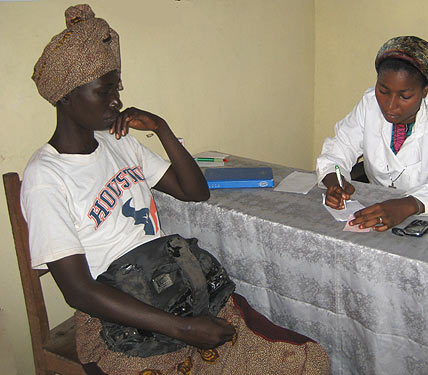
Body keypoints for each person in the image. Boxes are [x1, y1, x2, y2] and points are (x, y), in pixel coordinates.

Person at [22, 5, 330, 375]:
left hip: (177, 289)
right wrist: (184, 329)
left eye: (116, 90)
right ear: (66, 97)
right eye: (103, 92)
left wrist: (161, 127)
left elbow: (193, 191)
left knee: (309, 361)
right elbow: (78, 292)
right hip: (117, 319)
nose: (117, 102)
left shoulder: (119, 144)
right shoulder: (46, 177)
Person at [316, 36, 428, 231]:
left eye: (405, 96)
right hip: (382, 211)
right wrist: (335, 183)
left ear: (425, 91)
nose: (390, 105)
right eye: (383, 90)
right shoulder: (369, 103)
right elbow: (339, 148)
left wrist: (406, 206)